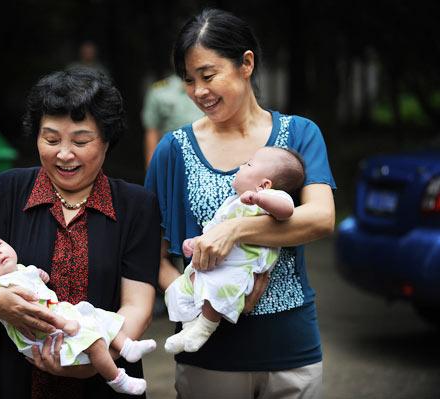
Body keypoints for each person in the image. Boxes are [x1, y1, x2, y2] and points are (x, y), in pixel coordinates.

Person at [145, 8, 336, 399]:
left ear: (246, 63)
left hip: (290, 350)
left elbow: (320, 218)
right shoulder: (174, 150)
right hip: (209, 356)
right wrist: (195, 301)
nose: (199, 91)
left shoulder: (298, 135)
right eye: (189, 80)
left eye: (208, 75)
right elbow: (150, 252)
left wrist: (234, 229)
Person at [0, 67, 161, 399]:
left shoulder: (135, 205)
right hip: (15, 373)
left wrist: (93, 360)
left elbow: (137, 305)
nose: (64, 154)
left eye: (81, 141)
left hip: (105, 378)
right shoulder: (8, 190)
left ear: (107, 140)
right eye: (51, 139)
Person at [0, 230, 156, 395]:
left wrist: (39, 274)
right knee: (93, 342)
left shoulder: (17, 270)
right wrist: (63, 323)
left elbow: (32, 276)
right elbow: (36, 312)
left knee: (98, 315)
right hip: (45, 332)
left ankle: (127, 347)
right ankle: (117, 379)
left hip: (62, 315)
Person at [163, 147, 304, 354]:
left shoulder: (269, 199)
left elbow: (287, 210)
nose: (240, 166)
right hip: (212, 265)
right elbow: (214, 230)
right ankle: (189, 327)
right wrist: (196, 242)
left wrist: (260, 198)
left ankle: (204, 328)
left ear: (265, 184)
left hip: (239, 268)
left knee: (217, 291)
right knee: (177, 290)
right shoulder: (231, 204)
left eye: (248, 164)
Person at [141, 73, 203, 168]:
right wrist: (151, 168)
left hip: (208, 154)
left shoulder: (209, 86)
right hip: (174, 158)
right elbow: (152, 131)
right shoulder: (160, 90)